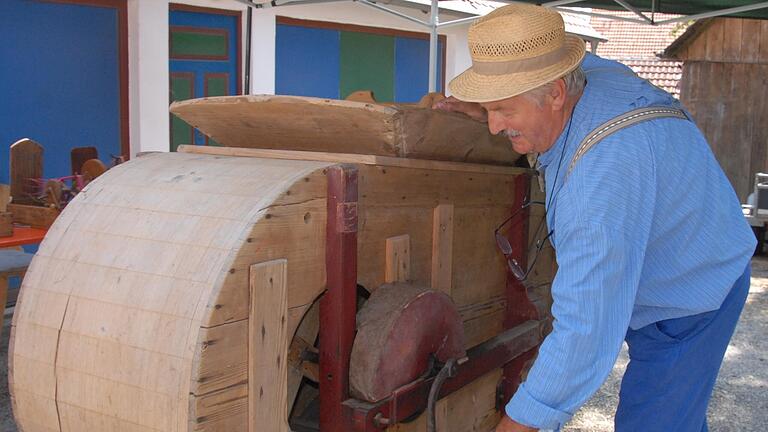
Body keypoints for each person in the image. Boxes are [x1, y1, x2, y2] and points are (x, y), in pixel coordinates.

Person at [434, 4, 756, 432]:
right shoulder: (583, 71)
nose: (493, 126)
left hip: (696, 286)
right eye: (489, 108)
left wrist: (520, 423)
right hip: (676, 240)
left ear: (554, 93)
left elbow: (585, 332)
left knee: (654, 421)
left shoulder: (598, 183)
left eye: (505, 110)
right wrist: (497, 107)